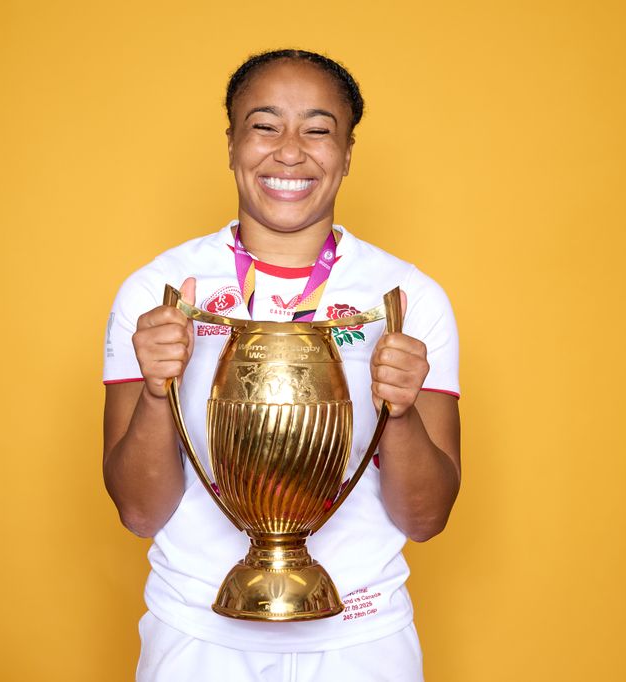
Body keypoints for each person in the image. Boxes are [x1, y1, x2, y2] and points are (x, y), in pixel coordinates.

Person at [102, 49, 461, 681]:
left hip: (361, 636)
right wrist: (157, 394)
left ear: (347, 153)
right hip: (197, 634)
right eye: (265, 125)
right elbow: (138, 512)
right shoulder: (159, 291)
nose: (289, 151)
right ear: (232, 143)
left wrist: (400, 413)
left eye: (318, 129)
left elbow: (426, 520)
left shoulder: (405, 298)